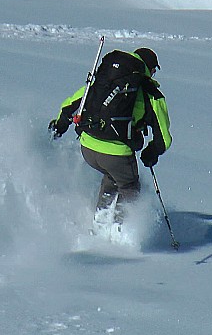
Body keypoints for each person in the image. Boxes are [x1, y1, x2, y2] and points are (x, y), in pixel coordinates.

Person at [49, 47, 172, 226]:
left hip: (88, 148)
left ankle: (99, 224)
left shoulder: (103, 82)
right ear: (149, 68)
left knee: (112, 178)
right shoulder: (150, 93)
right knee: (129, 187)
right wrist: (151, 153)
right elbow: (164, 139)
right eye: (153, 70)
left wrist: (59, 127)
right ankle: (120, 232)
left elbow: (71, 105)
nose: (153, 74)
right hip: (117, 154)